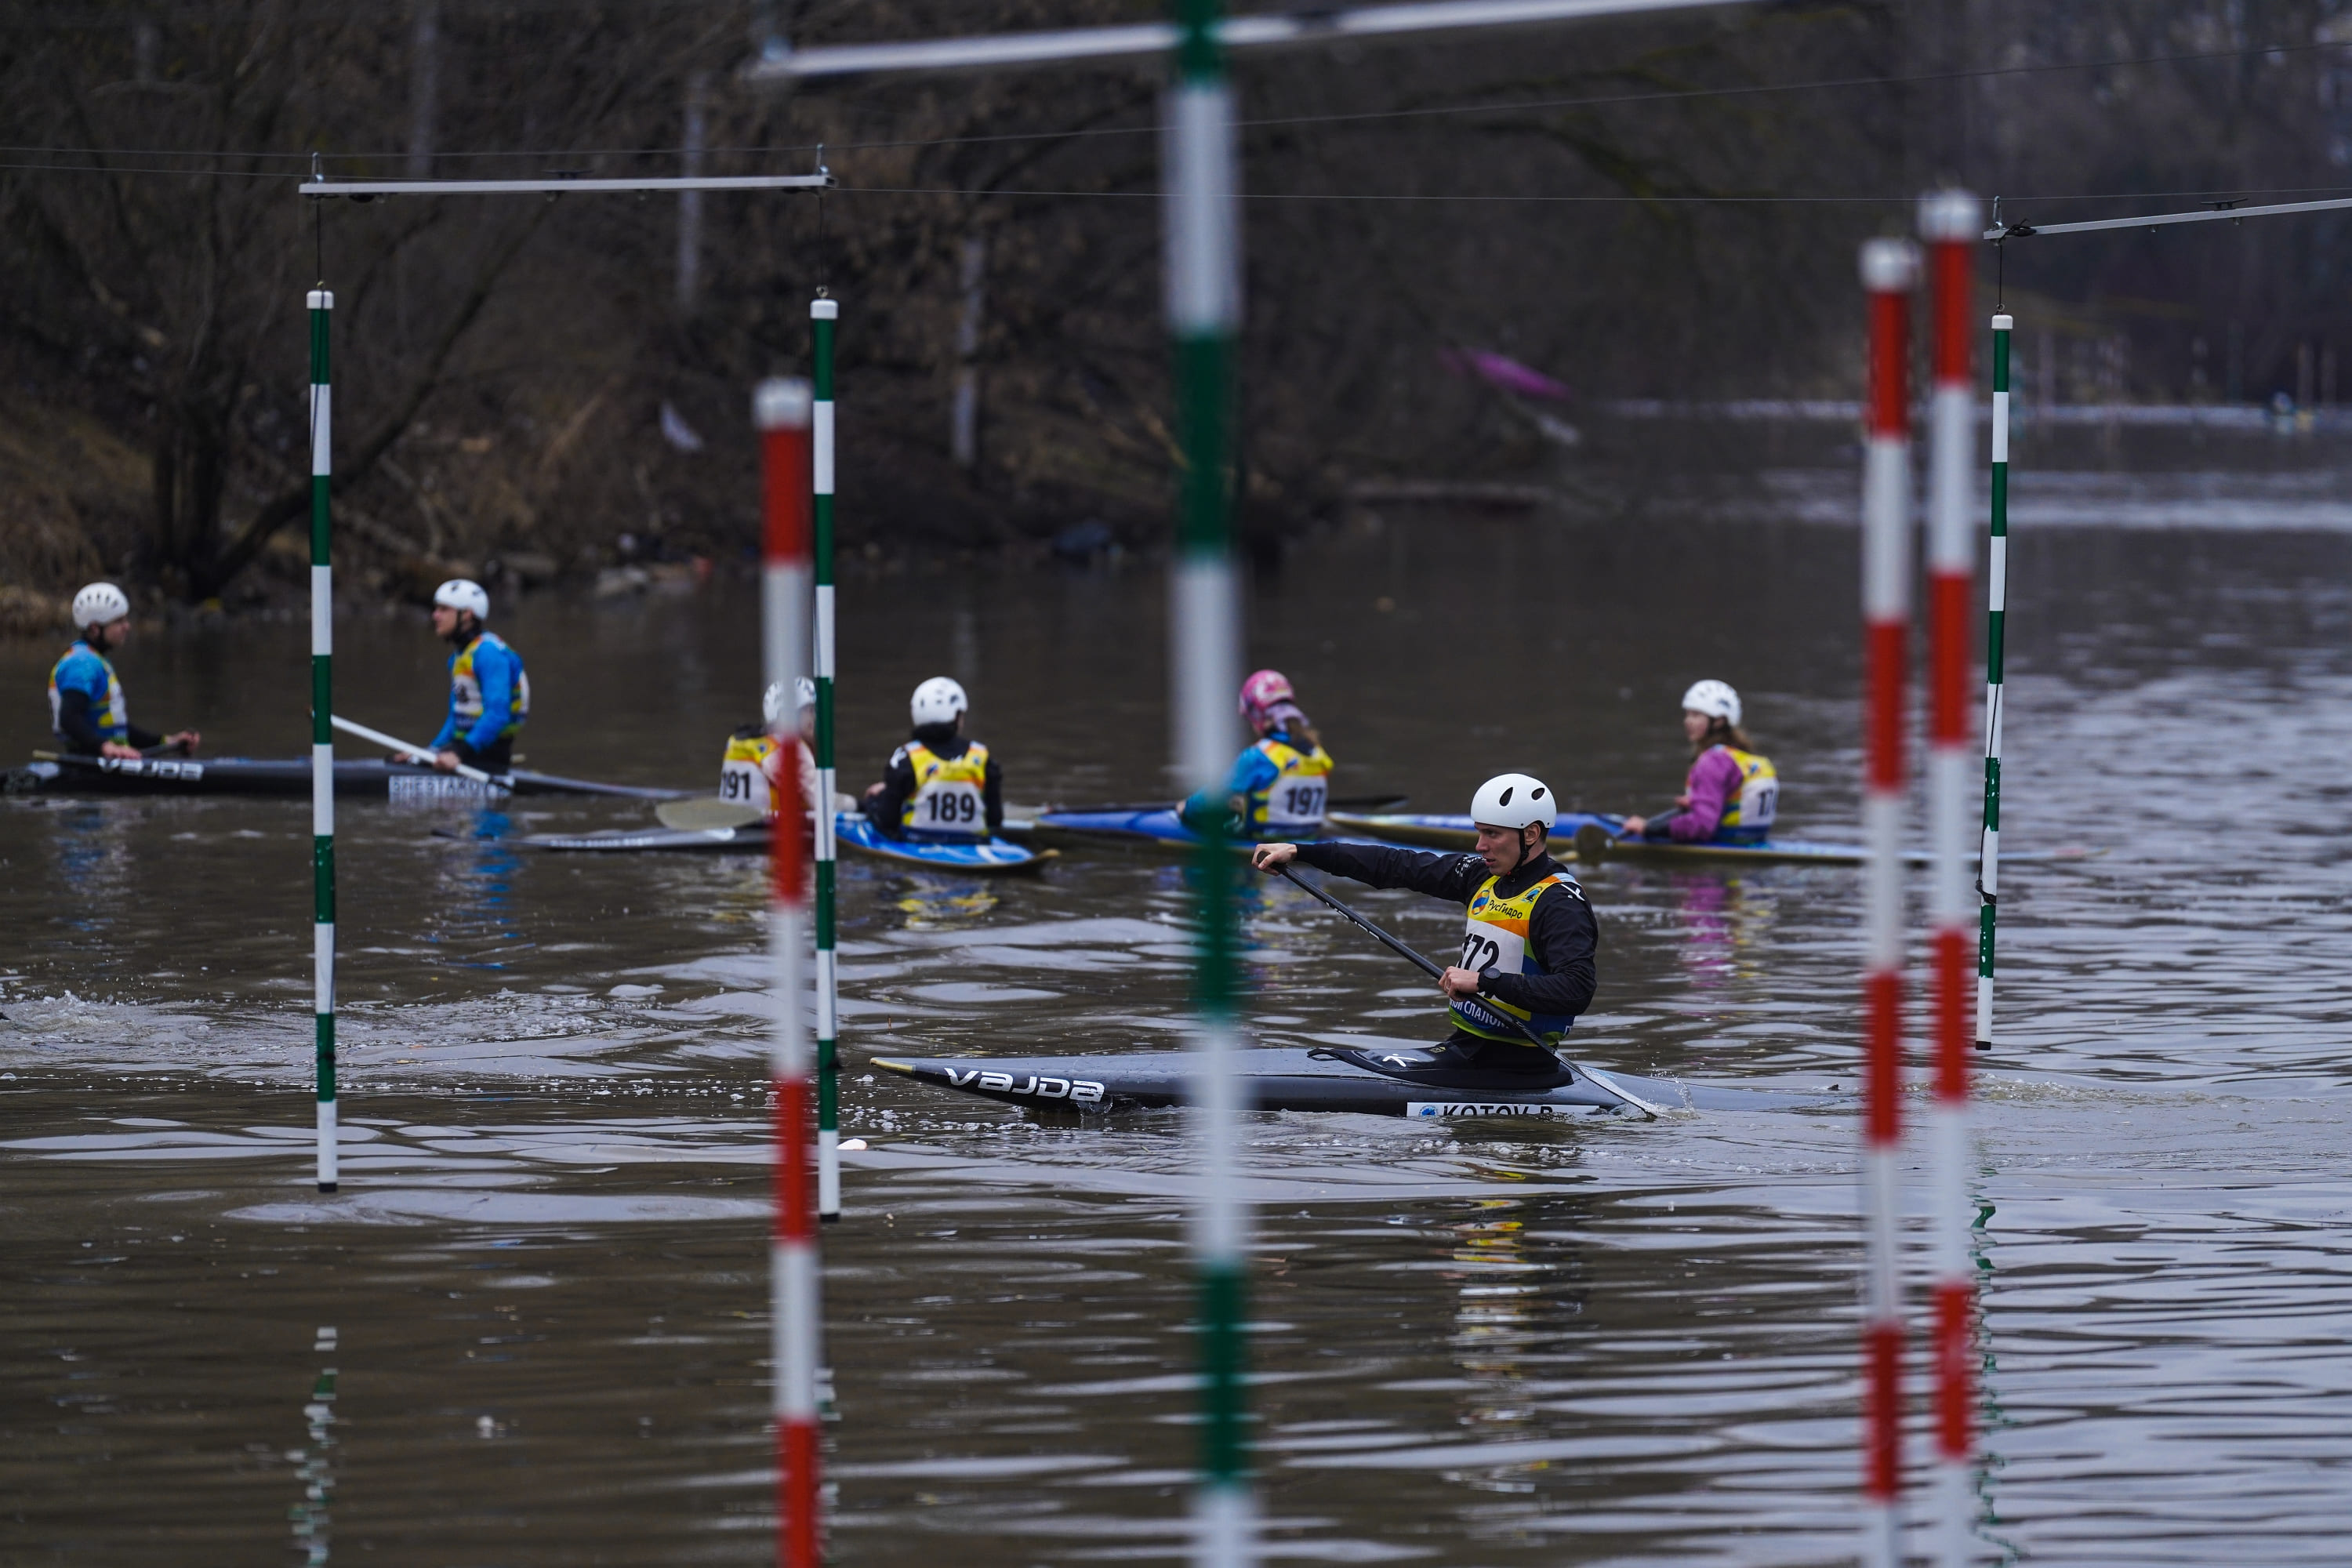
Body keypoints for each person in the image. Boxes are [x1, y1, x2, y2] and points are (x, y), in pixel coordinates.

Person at [1250, 772, 1596, 1076]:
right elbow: (1394, 864)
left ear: (1531, 834)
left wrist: (1484, 981)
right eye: (1479, 833)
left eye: (1492, 834)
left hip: (1521, 1065)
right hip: (1468, 1048)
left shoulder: (1559, 902)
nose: (1480, 846)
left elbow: (1576, 989)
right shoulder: (1481, 876)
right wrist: (1303, 852)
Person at [47, 582, 200, 760]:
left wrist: (168, 742)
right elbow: (69, 718)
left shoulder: (95, 660)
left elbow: (120, 731)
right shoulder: (82, 663)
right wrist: (105, 747)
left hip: (99, 759)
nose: (127, 627)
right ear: (95, 629)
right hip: (90, 763)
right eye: (119, 621)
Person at [1180, 668, 1335, 840]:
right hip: (1309, 840)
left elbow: (1211, 799)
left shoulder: (1260, 756)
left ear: (1258, 716)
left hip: (1266, 844)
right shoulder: (1318, 753)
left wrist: (1186, 809)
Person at [1621, 680, 1778, 846]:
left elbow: (1702, 826)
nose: (1687, 721)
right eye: (1688, 714)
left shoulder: (1713, 761)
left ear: (1719, 721)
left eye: (1696, 715)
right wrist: (1698, 802)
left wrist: (1647, 828)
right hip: (1753, 843)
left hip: (1725, 845)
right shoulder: (1748, 760)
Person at [862, 677, 1003, 840]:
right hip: (973, 841)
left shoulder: (906, 758)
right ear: (957, 717)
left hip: (917, 841)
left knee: (875, 799)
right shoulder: (981, 756)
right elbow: (995, 820)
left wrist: (874, 802)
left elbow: (888, 821)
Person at [414, 579, 528, 775]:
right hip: (465, 749)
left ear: (467, 614)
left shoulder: (488, 653)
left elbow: (498, 713)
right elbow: (456, 718)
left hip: (487, 753)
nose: (435, 615)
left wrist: (459, 753)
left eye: (444, 609)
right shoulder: (459, 657)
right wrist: (429, 752)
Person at [720, 678, 819, 818]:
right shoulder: (794, 750)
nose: (815, 717)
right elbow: (822, 804)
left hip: (732, 823)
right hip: (763, 827)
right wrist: (852, 803)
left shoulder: (738, 741)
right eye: (810, 710)